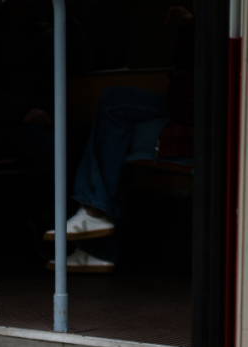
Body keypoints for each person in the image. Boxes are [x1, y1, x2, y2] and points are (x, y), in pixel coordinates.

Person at [44, 6, 194, 273]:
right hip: (187, 102)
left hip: (193, 107)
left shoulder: (212, 24)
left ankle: (94, 215)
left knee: (115, 109)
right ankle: (97, 240)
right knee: (115, 118)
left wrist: (192, 25)